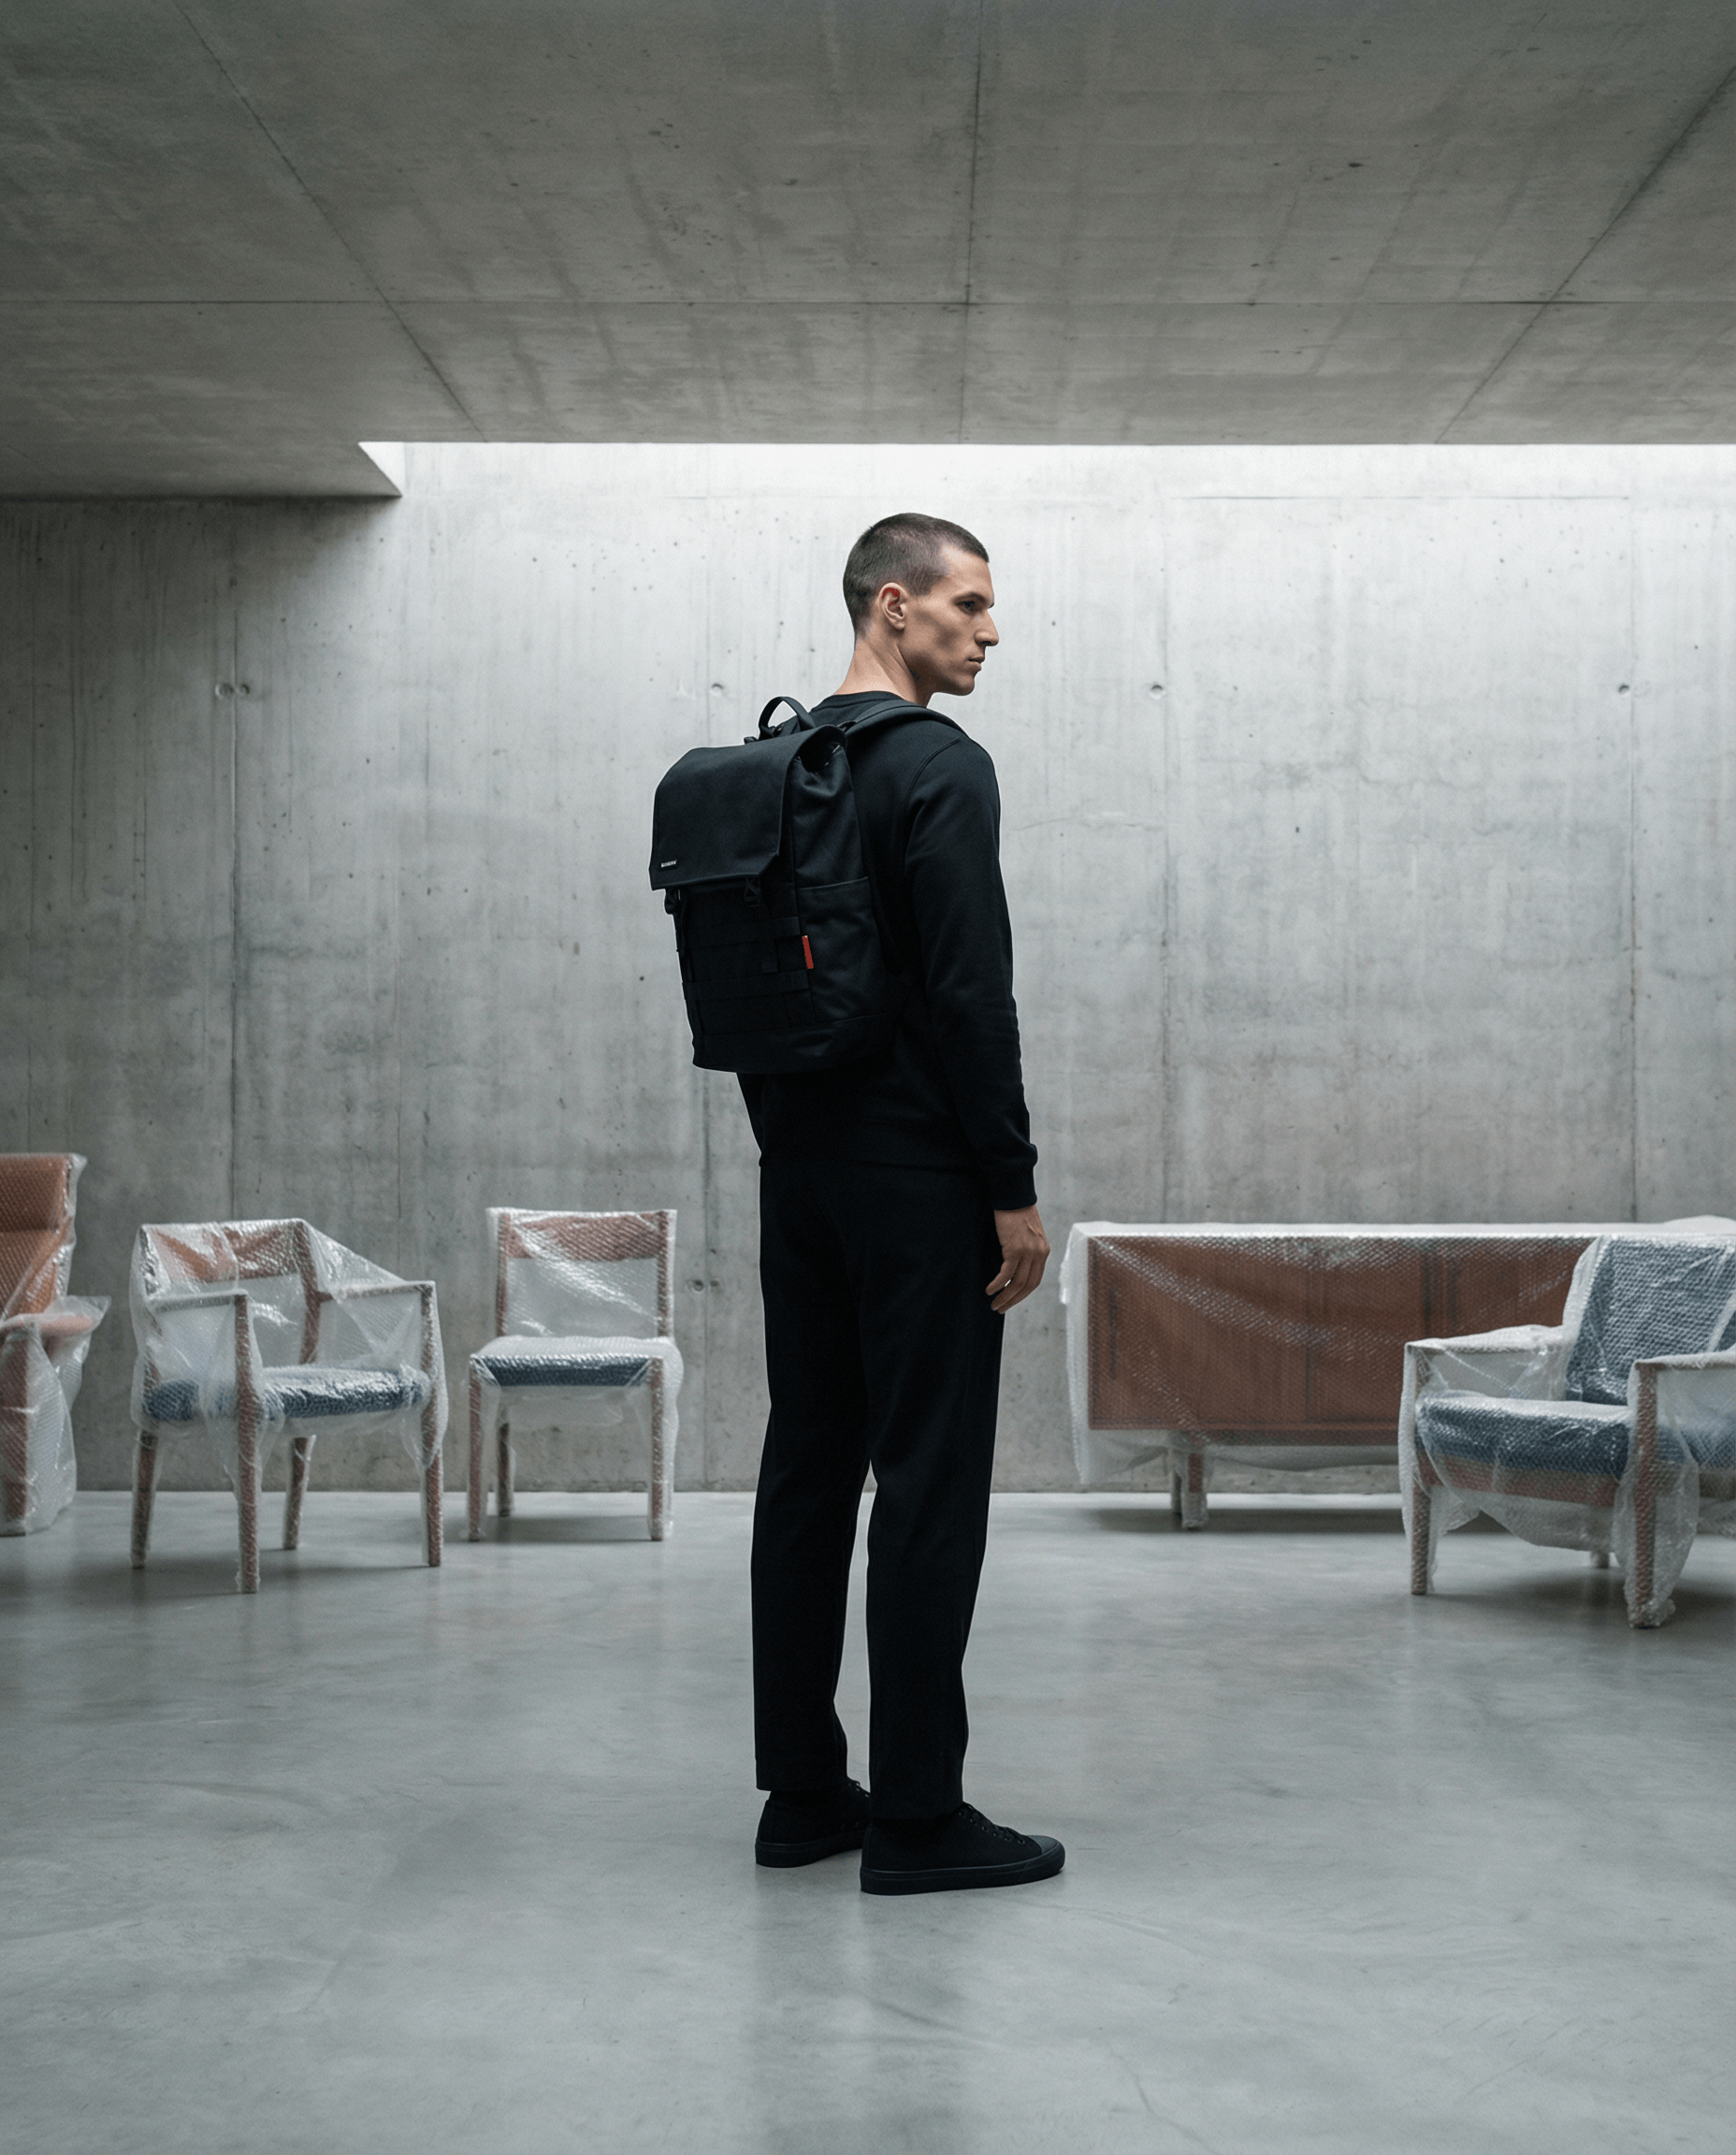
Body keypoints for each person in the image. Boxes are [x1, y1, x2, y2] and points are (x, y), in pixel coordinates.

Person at [743, 512, 1064, 1896]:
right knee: (928, 1483)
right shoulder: (939, 765)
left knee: (809, 1472)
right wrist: (1012, 1192)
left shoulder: (780, 763)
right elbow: (967, 996)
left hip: (797, 1167)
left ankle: (805, 1795)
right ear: (894, 605)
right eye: (971, 605)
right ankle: (920, 1819)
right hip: (921, 1179)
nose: (990, 632)